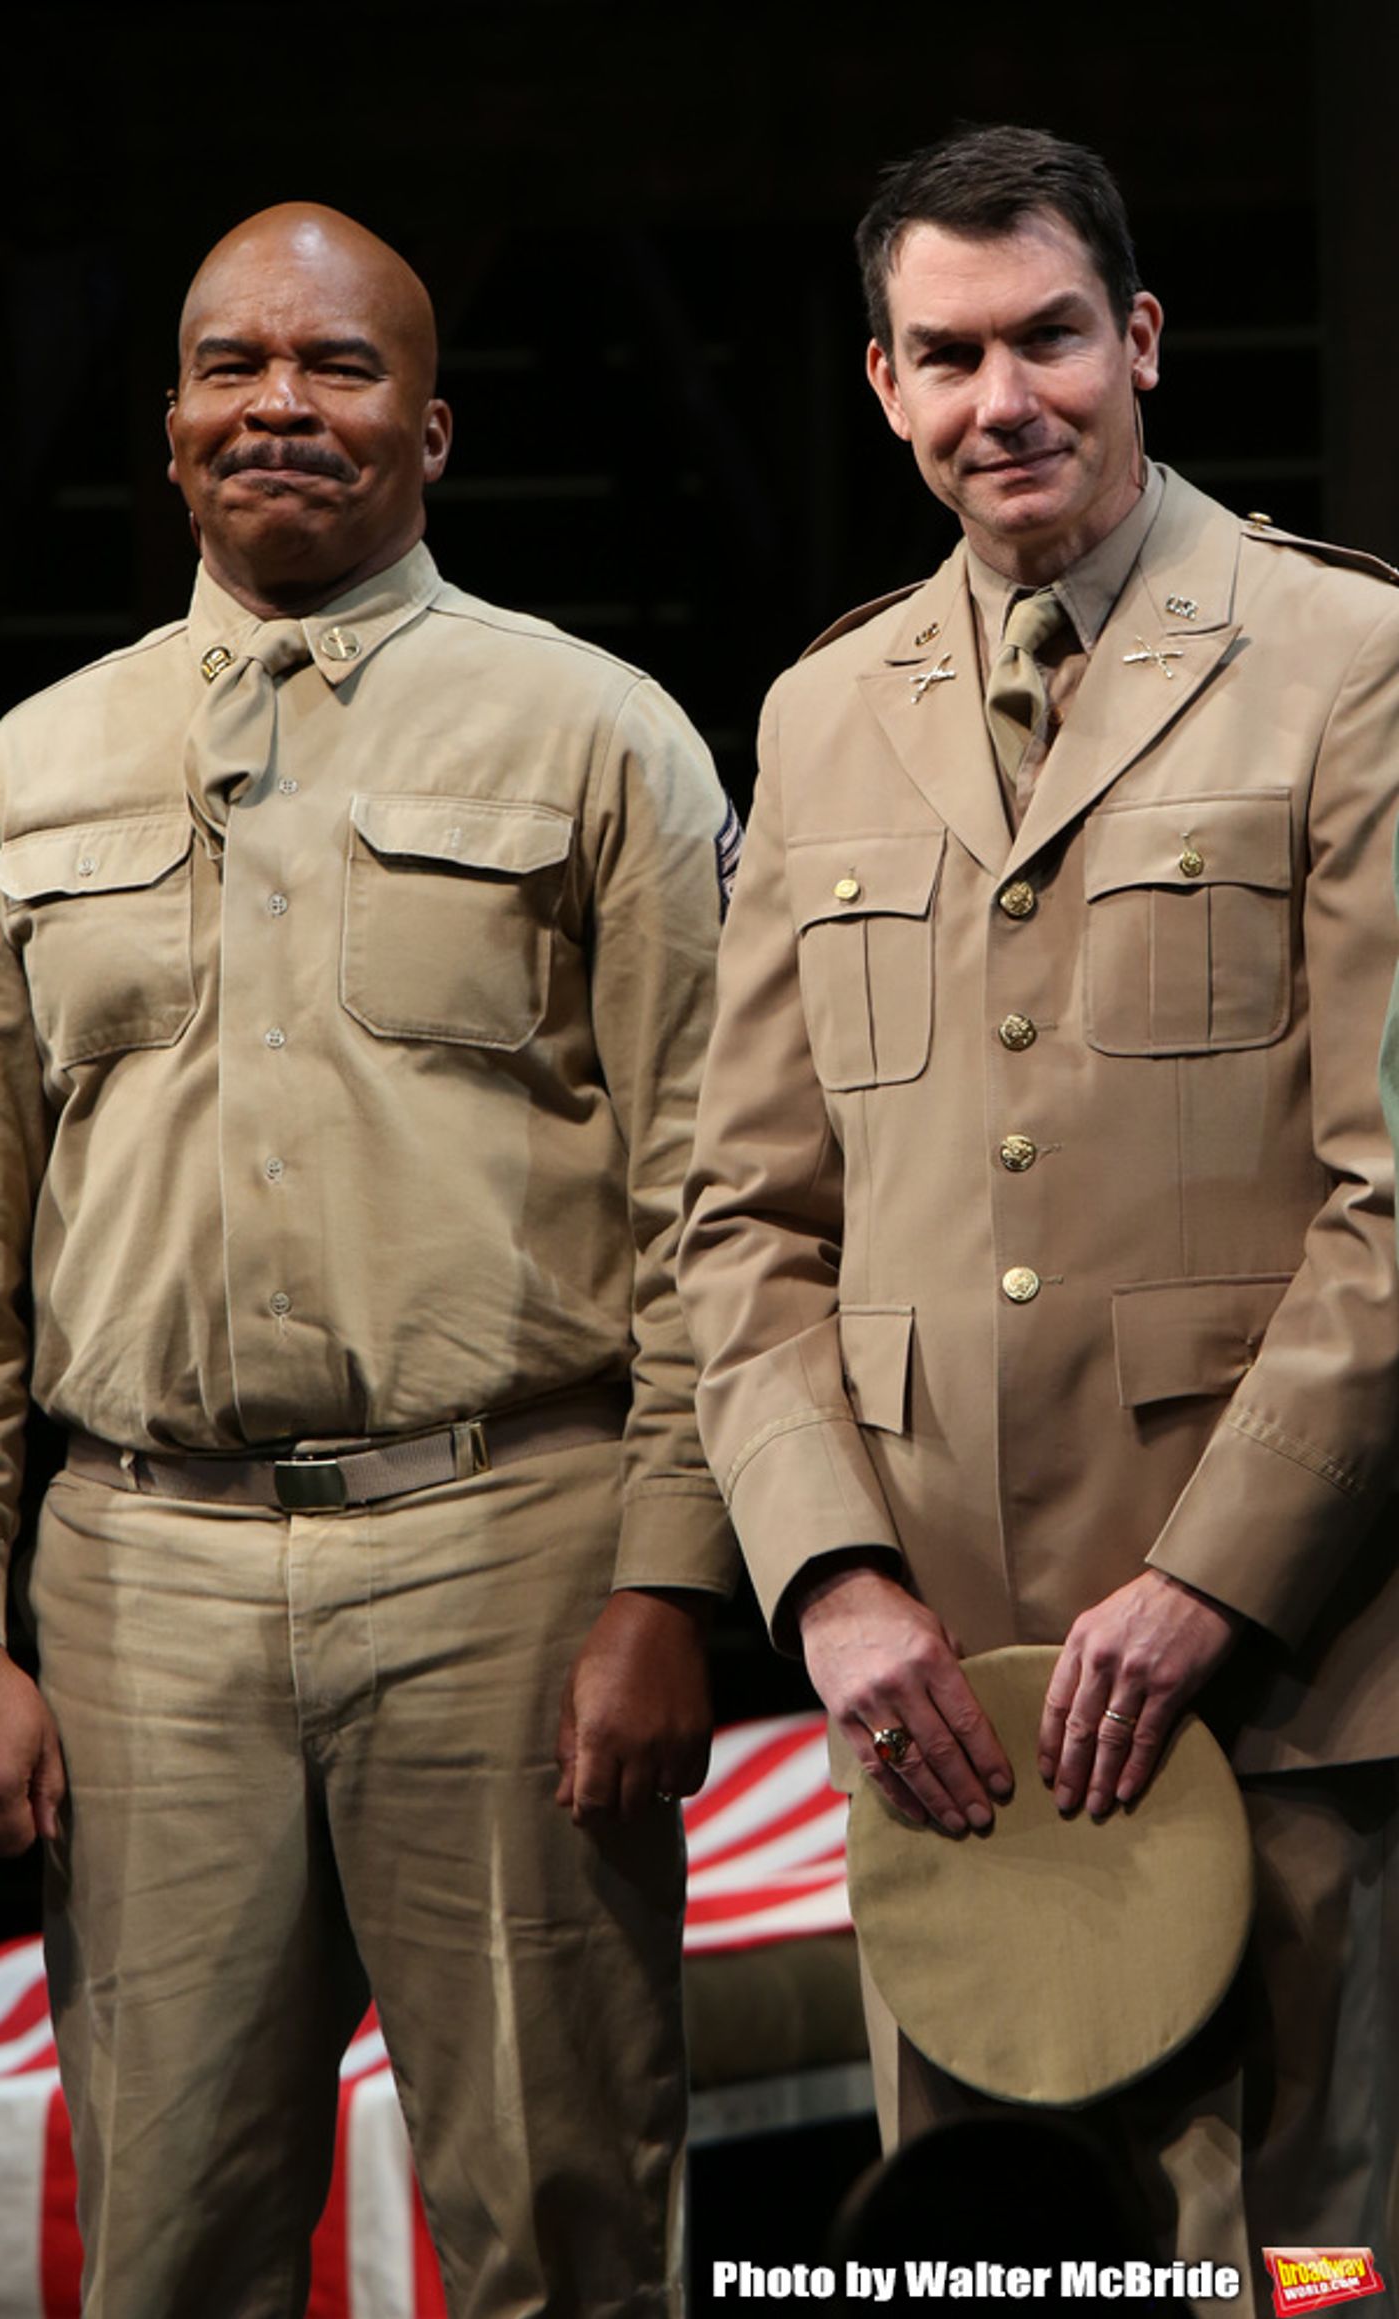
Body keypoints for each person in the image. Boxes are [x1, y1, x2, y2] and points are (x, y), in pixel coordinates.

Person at [679, 125, 1399, 2306]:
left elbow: (1393, 1202)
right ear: (881, 387)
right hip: (944, 1709)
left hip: (1279, 1680)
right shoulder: (820, 713)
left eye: (1051, 337)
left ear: (1142, 341)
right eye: (948, 353)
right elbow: (742, 1219)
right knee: (992, 2274)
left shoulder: (1347, 660)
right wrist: (827, 1581)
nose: (1006, 398)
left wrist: (1205, 1585)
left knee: (1304, 2267)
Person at [0, 202, 737, 2319]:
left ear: (431, 428)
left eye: (335, 370)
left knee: (563, 2213)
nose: (279, 406)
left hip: (503, 1544)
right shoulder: (32, 771)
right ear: (169, 429)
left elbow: (719, 1199)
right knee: (167, 2231)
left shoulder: (601, 739)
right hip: (139, 1582)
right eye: (234, 366)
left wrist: (668, 1578)